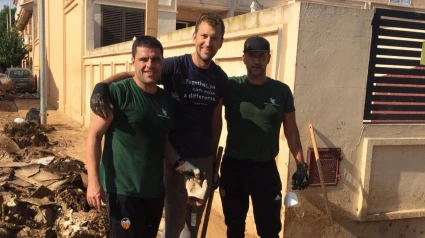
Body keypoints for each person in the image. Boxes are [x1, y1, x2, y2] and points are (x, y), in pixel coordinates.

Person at [89, 12, 228, 238]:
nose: (208, 42)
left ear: (221, 42)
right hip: (170, 159)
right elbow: (140, 73)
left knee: (192, 222)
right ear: (194, 37)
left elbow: (216, 119)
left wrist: (212, 164)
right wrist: (101, 86)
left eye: (214, 38)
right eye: (204, 36)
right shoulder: (174, 66)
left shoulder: (220, 78)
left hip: (197, 161)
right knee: (172, 220)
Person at [85, 36, 198, 238]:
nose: (149, 65)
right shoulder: (117, 93)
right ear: (133, 62)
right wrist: (93, 182)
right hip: (123, 192)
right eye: (144, 59)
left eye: (155, 60)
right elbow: (94, 136)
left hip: (154, 192)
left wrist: (184, 166)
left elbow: (162, 142)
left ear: (162, 62)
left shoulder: (165, 100)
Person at [219, 36, 309, 238]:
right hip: (234, 167)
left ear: (269, 58)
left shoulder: (281, 91)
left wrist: (301, 164)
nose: (256, 61)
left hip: (265, 169)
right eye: (252, 56)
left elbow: (291, 130)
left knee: (269, 230)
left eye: (261, 56)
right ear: (244, 58)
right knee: (234, 228)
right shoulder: (230, 87)